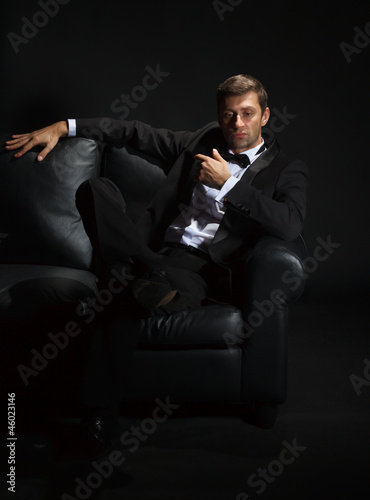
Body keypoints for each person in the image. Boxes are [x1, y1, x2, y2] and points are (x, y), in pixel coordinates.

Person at [6, 74, 309, 460]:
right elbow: (133, 132)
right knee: (95, 191)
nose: (237, 123)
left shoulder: (287, 168)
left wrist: (230, 184)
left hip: (198, 267)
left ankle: (97, 418)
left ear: (265, 116)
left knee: (121, 290)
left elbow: (289, 224)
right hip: (155, 251)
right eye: (229, 114)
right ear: (219, 116)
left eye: (247, 114)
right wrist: (64, 126)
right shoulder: (198, 142)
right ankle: (134, 270)